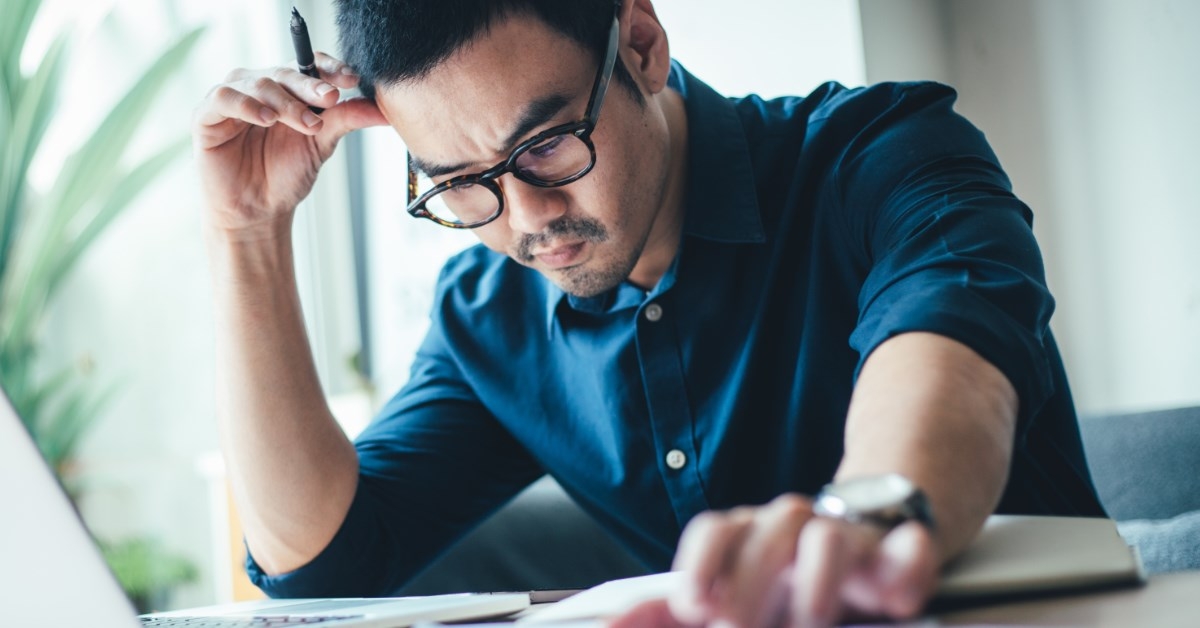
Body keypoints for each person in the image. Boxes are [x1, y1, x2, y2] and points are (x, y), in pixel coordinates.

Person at [192, 0, 1105, 625]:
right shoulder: (491, 319)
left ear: (640, 43)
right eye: (463, 186)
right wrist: (246, 233)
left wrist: (862, 514)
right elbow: (321, 564)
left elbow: (949, 360)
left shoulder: (883, 156)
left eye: (546, 146)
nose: (526, 221)